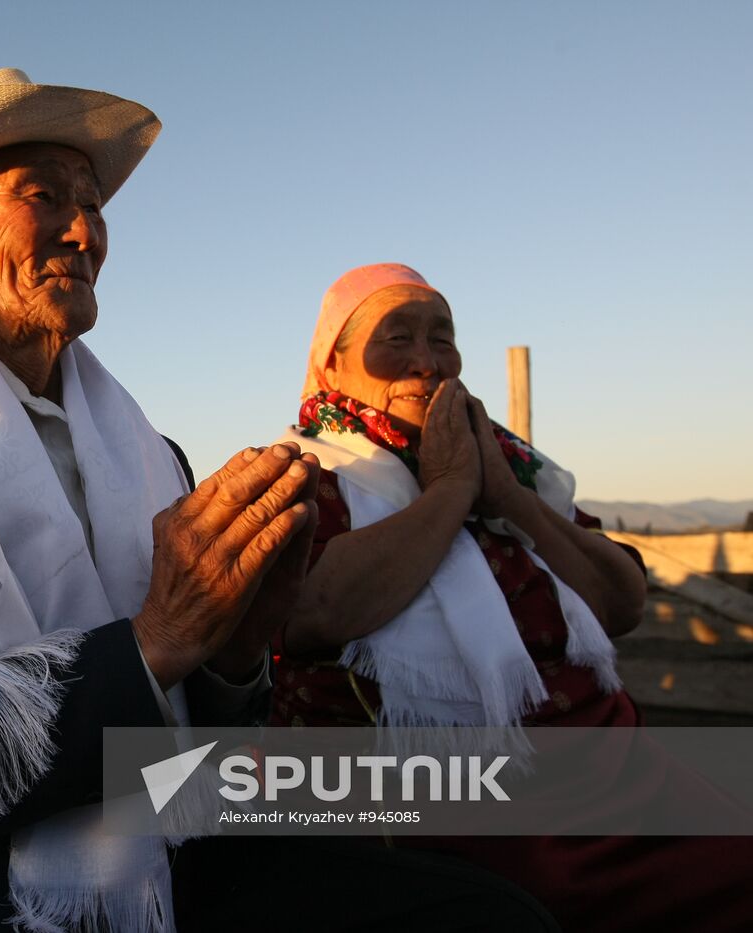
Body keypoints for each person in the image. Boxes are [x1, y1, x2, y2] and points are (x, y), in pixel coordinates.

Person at [0, 71, 558, 932]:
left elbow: (207, 745)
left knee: (492, 917)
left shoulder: (151, 456)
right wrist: (157, 640)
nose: (85, 231)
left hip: (178, 846)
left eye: (94, 204)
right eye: (43, 194)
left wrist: (235, 650)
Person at [272, 262, 752, 931]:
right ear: (334, 366)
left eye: (442, 338)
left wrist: (505, 495)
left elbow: (622, 603)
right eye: (396, 338)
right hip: (461, 803)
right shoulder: (306, 476)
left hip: (623, 775)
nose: (425, 361)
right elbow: (315, 610)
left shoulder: (513, 472)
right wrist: (447, 491)